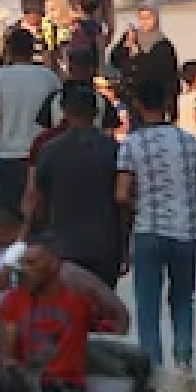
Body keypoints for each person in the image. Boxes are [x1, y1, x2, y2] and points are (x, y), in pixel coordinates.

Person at [0, 238, 132, 392]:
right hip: (26, 384)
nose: (24, 271)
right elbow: (7, 355)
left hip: (65, 385)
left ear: (54, 266)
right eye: (23, 264)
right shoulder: (12, 301)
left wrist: (92, 286)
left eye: (32, 264)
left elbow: (121, 322)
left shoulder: (78, 299)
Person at [116, 78, 196, 373]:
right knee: (182, 299)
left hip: (148, 230)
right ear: (166, 106)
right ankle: (183, 359)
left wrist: (137, 209)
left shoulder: (132, 144)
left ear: (138, 106)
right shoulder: (190, 143)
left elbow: (121, 193)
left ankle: (154, 366)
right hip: (185, 232)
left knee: (148, 304)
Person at [26, 85, 124, 285]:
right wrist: (124, 245)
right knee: (102, 306)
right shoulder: (113, 149)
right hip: (104, 245)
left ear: (65, 112)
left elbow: (38, 200)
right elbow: (122, 202)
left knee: (69, 309)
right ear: (96, 113)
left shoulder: (49, 150)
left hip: (62, 245)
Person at [0, 27, 61, 211]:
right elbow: (59, 116)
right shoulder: (49, 77)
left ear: (9, 50)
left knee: (12, 212)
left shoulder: (0, 77)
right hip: (44, 154)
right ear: (33, 50)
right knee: (42, 210)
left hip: (11, 154)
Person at [109, 1, 177, 95]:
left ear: (156, 18)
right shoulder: (131, 36)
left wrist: (137, 51)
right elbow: (115, 59)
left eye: (148, 18)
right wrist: (126, 45)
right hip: (130, 90)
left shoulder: (163, 43)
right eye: (141, 18)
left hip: (155, 94)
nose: (145, 21)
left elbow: (161, 71)